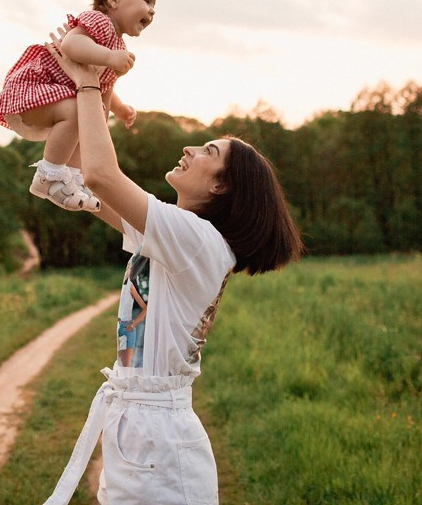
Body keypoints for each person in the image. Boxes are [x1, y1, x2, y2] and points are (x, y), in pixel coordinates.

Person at [40, 39, 304, 505]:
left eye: (207, 150)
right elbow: (81, 167)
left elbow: (101, 176)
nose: (189, 148)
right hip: (138, 431)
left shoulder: (198, 242)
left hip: (159, 445)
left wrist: (84, 81)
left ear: (221, 185)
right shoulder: (173, 233)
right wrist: (94, 84)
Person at [0, 0, 157, 212]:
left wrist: (117, 109)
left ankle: (73, 180)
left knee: (87, 120)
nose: (152, 11)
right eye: (147, 0)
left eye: (154, 5)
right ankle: (48, 176)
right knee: (79, 110)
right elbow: (71, 44)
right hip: (36, 88)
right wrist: (109, 58)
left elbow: (102, 86)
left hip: (60, 98)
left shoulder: (117, 47)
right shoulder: (99, 22)